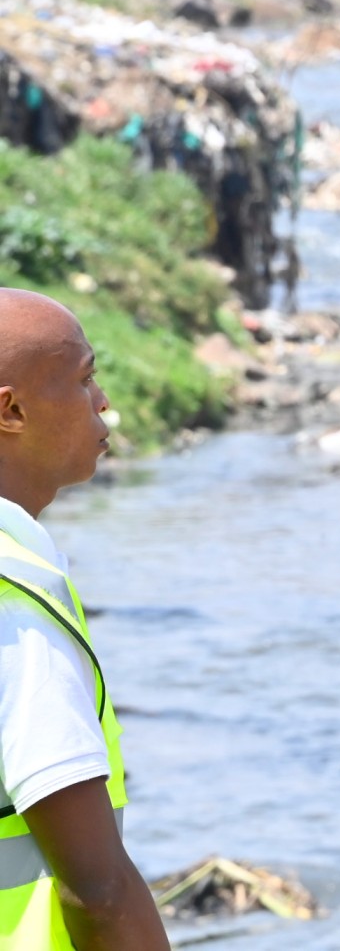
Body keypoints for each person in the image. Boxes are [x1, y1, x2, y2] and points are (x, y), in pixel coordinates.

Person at [0, 289, 169, 951]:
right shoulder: (18, 607)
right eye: (83, 379)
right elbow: (97, 893)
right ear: (9, 410)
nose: (103, 403)